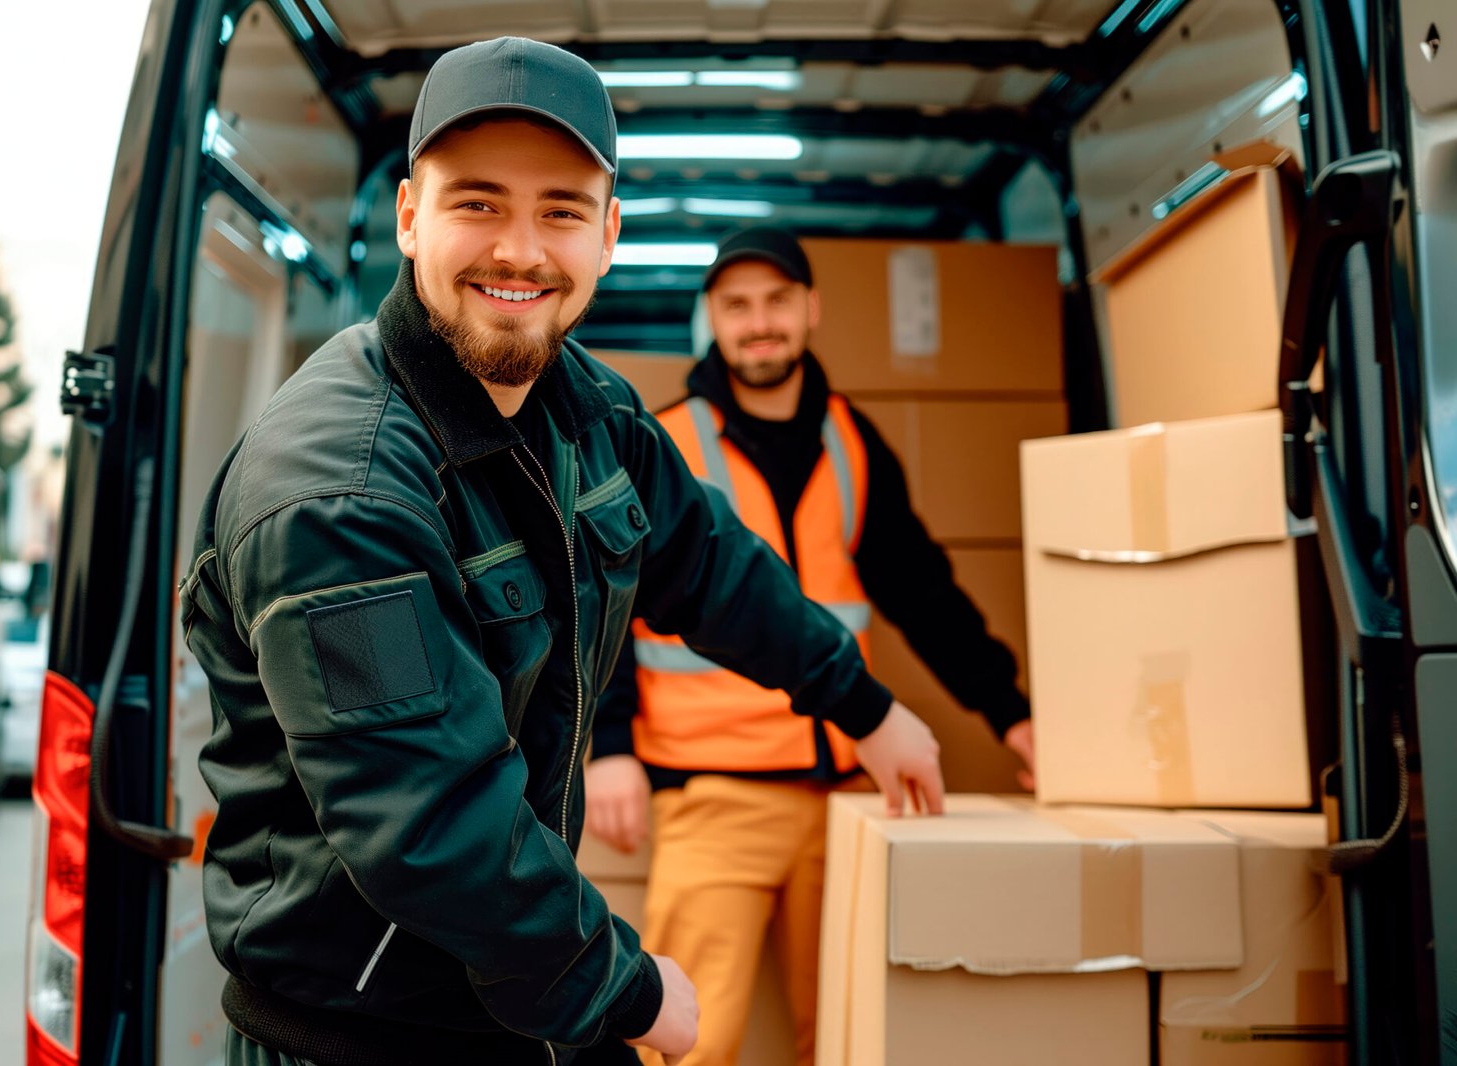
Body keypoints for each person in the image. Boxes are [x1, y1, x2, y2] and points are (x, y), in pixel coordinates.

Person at [181, 39, 944, 1066]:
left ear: (608, 234)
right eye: (478, 203)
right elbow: (427, 819)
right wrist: (621, 986)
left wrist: (864, 707)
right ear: (409, 216)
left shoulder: (586, 409)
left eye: (561, 212)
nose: (520, 251)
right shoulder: (336, 494)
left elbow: (710, 563)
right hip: (356, 1035)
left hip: (506, 1001)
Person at [585, 225, 1036, 1066]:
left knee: (851, 1038)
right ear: (710, 320)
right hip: (712, 795)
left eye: (777, 301)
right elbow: (605, 602)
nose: (759, 323)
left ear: (811, 308)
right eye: (737, 306)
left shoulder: (852, 442)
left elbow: (924, 596)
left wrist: (1011, 713)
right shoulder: (668, 442)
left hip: (848, 794)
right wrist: (608, 747)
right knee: (686, 1044)